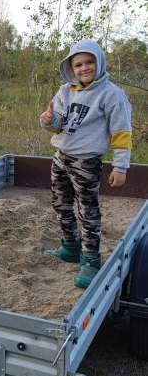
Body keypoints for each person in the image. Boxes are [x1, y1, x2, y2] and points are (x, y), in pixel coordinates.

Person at [40, 38, 132, 289]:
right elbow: (57, 122)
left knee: (87, 211)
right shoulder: (65, 91)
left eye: (89, 62)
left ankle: (91, 259)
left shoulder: (112, 95)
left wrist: (120, 166)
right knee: (60, 203)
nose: (84, 68)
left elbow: (121, 132)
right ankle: (70, 246)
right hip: (61, 157)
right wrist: (48, 119)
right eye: (78, 64)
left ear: (99, 62)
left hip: (87, 162)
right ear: (71, 68)